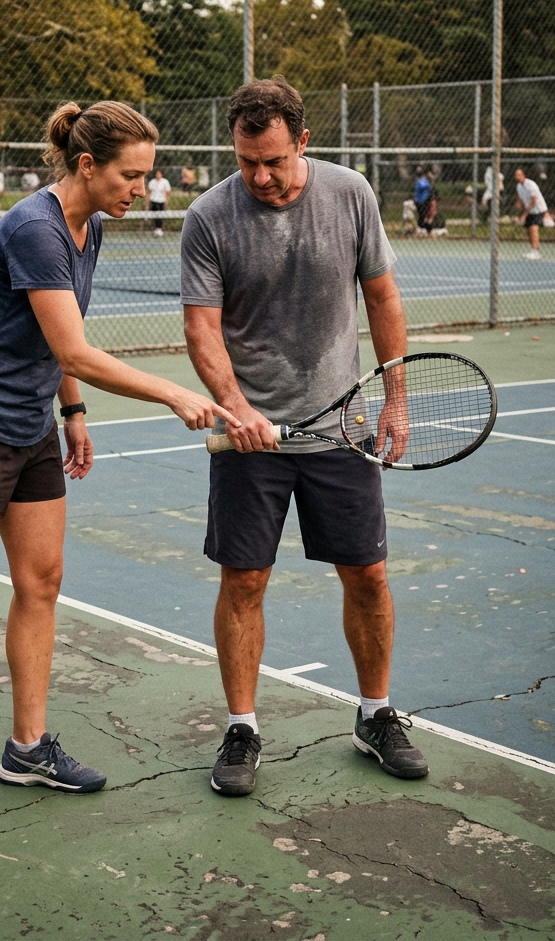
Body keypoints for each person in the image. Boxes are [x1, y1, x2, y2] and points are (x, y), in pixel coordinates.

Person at [0, 100, 239, 816]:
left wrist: (71, 412)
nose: (141, 188)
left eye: (146, 176)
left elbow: (55, 334)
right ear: (87, 164)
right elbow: (73, 347)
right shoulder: (36, 228)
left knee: (41, 582)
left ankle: (28, 747)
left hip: (30, 424)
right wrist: (170, 390)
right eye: (130, 175)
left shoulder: (90, 224)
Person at [181, 77, 428, 797]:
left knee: (369, 575)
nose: (260, 176)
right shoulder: (208, 216)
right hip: (250, 440)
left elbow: (381, 296)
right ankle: (242, 727)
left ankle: (376, 715)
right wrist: (235, 406)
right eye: (247, 161)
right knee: (245, 581)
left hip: (343, 430)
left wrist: (395, 400)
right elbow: (202, 327)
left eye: (275, 162)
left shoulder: (350, 195)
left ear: (303, 143)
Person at [514, 167, 547, 259]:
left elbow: (534, 200)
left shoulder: (531, 184)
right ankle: (534, 250)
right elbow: (520, 199)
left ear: (524, 175)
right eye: (516, 175)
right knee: (529, 231)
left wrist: (524, 214)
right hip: (529, 210)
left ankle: (535, 251)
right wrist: (518, 205)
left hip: (538, 209)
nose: (517, 176)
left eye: (519, 175)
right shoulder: (519, 186)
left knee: (533, 228)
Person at [147, 168, 171, 235]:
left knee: (160, 215)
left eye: (159, 173)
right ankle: (156, 228)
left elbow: (167, 192)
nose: (158, 175)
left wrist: (166, 201)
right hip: (153, 200)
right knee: (155, 215)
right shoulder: (152, 182)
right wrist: (147, 203)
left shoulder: (165, 182)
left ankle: (159, 228)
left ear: (162, 174)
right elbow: (149, 192)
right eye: (157, 174)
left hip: (161, 201)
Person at [413, 166, 432, 233]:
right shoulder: (418, 181)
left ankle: (426, 228)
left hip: (425, 201)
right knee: (421, 216)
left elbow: (426, 187)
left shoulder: (424, 181)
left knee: (423, 216)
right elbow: (417, 191)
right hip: (419, 201)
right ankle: (421, 228)